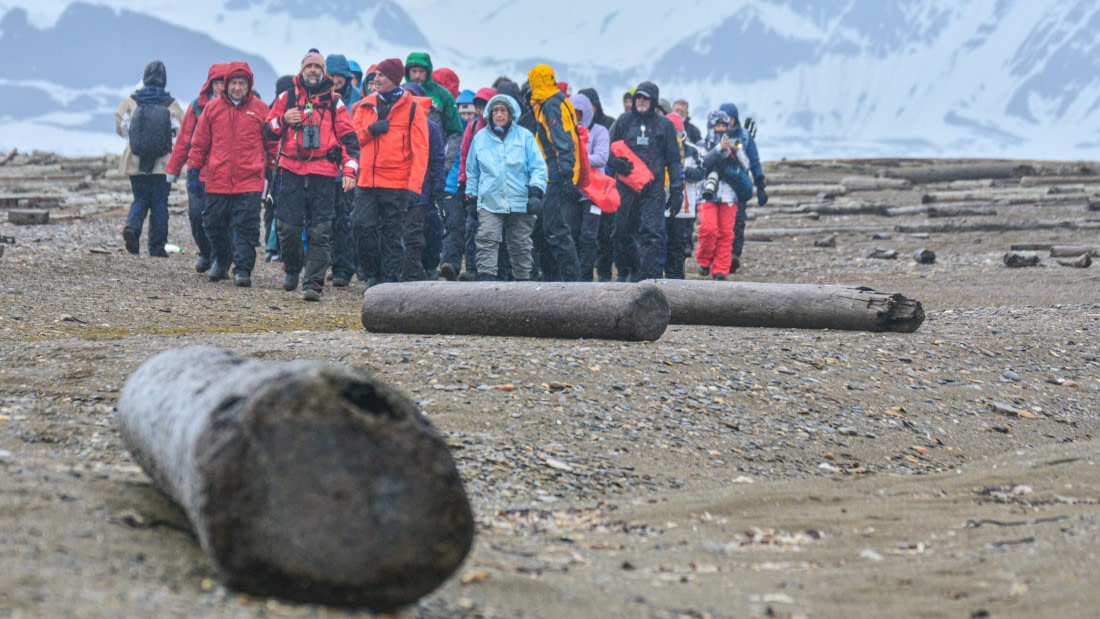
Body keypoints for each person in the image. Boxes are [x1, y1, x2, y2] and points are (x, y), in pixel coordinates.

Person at [264, 49, 360, 301]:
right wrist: (283, 119)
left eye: (318, 67)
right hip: (291, 171)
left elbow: (350, 141)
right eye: (310, 67)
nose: (314, 71)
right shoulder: (287, 98)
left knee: (320, 231)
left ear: (323, 71)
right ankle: (292, 268)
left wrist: (350, 171)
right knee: (287, 228)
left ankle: (313, 284)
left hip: (323, 174)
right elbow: (267, 130)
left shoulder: (334, 102)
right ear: (302, 70)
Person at [187, 61, 271, 285]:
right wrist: (193, 170)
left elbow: (272, 143)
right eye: (233, 82)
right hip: (218, 179)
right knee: (212, 222)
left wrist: (273, 171)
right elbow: (199, 143)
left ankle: (243, 269)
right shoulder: (212, 109)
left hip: (250, 179)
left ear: (249, 85)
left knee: (246, 226)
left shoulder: (261, 109)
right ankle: (222, 258)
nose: (237, 87)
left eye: (242, 83)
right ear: (226, 84)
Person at [350, 58, 429, 287]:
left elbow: (421, 150)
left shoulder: (413, 109)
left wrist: (415, 187)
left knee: (392, 235)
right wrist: (371, 130)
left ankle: (388, 282)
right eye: (376, 75)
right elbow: (353, 138)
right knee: (361, 225)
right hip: (366, 181)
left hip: (397, 183)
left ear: (395, 80)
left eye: (382, 75)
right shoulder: (366, 105)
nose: (376, 79)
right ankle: (372, 274)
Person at [607, 81, 683, 282]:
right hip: (626, 188)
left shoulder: (665, 125)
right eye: (638, 97)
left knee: (651, 234)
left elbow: (674, 160)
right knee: (621, 232)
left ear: (653, 100)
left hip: (653, 190)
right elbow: (606, 150)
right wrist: (615, 163)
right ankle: (630, 270)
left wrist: (677, 191)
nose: (641, 101)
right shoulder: (623, 121)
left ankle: (649, 279)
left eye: (645, 97)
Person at [465, 94, 547, 281]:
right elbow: (472, 170)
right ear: (490, 114)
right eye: (495, 110)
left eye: (503, 110)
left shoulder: (525, 137)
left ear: (511, 114)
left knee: (520, 244)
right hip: (490, 200)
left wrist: (536, 192)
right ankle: (487, 283)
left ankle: (523, 284)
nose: (499, 114)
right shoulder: (480, 138)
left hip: (520, 200)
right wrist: (472, 196)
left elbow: (538, 167)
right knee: (487, 239)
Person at [115, 60, 184, 257]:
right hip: (164, 163)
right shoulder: (171, 103)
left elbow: (120, 127)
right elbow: (181, 129)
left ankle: (133, 227)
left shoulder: (132, 100)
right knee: (160, 202)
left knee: (140, 198)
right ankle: (157, 247)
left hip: (136, 159)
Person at [165, 62, 226, 272]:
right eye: (216, 83)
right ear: (210, 85)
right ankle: (206, 252)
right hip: (199, 172)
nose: (220, 88)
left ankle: (220, 257)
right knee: (196, 215)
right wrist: (173, 169)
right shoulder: (196, 107)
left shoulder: (235, 109)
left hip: (224, 174)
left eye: (223, 83)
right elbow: (184, 140)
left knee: (220, 219)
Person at [528, 64, 581, 282]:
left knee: (555, 229)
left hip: (556, 175)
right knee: (549, 228)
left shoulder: (550, 105)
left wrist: (564, 174)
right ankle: (556, 277)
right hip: (561, 173)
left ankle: (571, 280)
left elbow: (562, 140)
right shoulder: (560, 101)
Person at [400, 82, 446, 282]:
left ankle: (413, 274)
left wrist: (438, 187)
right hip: (394, 188)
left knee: (414, 233)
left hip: (422, 190)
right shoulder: (393, 125)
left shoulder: (431, 128)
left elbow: (437, 159)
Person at [324, 54, 362, 286]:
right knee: (328, 220)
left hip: (350, 169)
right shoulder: (321, 98)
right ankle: (337, 264)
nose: (336, 79)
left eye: (340, 75)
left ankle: (344, 269)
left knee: (346, 221)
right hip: (326, 168)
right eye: (332, 75)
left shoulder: (359, 100)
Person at [717, 103, 767, 271]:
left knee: (737, 221)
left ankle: (733, 255)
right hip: (719, 187)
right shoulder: (714, 135)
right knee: (719, 223)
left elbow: (754, 161)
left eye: (730, 118)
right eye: (724, 118)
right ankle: (721, 256)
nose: (727, 122)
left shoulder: (745, 137)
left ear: (735, 119)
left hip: (739, 187)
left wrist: (760, 186)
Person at [694, 111, 743, 280]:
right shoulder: (701, 144)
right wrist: (718, 149)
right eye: (717, 125)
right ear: (710, 126)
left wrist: (735, 151)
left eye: (724, 126)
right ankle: (704, 261)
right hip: (707, 194)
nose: (721, 129)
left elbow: (747, 164)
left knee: (726, 233)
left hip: (729, 194)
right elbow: (703, 162)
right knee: (708, 229)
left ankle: (721, 269)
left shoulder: (734, 144)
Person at [567, 92, 609, 281]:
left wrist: (578, 160)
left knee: (589, 237)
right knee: (572, 234)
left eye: (579, 112)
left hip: (594, 194)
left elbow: (602, 157)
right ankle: (574, 276)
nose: (576, 116)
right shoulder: (566, 131)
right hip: (571, 192)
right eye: (572, 112)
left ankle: (586, 278)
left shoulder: (600, 132)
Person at [405, 53, 462, 166]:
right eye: (414, 71)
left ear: (428, 71)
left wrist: (445, 164)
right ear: (407, 72)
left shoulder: (443, 95)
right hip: (404, 161)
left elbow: (455, 132)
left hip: (433, 160)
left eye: (421, 71)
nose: (417, 75)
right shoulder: (400, 93)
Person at [662, 112, 693, 279]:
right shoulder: (659, 148)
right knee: (661, 243)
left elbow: (698, 171)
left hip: (682, 206)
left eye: (677, 131)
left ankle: (677, 282)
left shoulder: (689, 150)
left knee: (678, 246)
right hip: (660, 203)